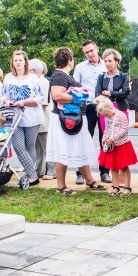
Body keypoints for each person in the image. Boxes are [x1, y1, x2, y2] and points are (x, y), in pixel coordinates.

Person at [46, 47, 106, 194]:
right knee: (63, 151)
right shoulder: (60, 76)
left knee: (80, 149)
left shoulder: (63, 75)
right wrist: (77, 97)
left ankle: (90, 180)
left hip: (75, 117)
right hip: (65, 119)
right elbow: (57, 95)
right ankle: (61, 186)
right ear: (70, 61)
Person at [1, 50, 44, 186]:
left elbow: (40, 97)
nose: (18, 62)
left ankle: (30, 174)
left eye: (20, 60)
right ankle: (33, 174)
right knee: (18, 146)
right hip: (14, 118)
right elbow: (3, 95)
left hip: (31, 116)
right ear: (12, 62)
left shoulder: (33, 78)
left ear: (25, 62)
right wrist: (6, 101)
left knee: (30, 146)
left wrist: (24, 102)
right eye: (15, 60)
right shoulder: (8, 77)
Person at [73, 40, 110, 184]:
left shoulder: (106, 65)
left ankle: (105, 172)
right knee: (84, 139)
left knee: (105, 139)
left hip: (104, 106)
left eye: (91, 51)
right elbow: (75, 87)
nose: (89, 54)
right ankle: (81, 173)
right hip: (87, 107)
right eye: (86, 52)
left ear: (97, 49)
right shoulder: (80, 67)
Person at [96, 96, 137, 194]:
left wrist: (113, 138)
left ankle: (127, 187)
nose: (106, 117)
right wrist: (104, 139)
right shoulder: (107, 117)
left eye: (106, 114)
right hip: (112, 145)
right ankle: (115, 186)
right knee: (113, 166)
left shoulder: (121, 115)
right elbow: (106, 129)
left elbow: (124, 129)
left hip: (122, 144)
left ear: (110, 108)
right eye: (103, 115)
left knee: (124, 166)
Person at [29, 59, 53, 180]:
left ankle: (52, 171)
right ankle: (39, 170)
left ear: (34, 71)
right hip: (38, 119)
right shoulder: (38, 81)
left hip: (44, 119)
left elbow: (43, 103)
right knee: (38, 147)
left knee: (47, 146)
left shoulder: (43, 82)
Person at [96, 48, 130, 119]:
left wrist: (108, 92)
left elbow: (125, 93)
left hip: (121, 108)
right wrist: (118, 93)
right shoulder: (101, 77)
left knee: (121, 130)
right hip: (104, 109)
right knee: (105, 130)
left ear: (117, 61)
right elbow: (98, 94)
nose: (107, 63)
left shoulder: (124, 76)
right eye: (105, 61)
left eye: (110, 61)